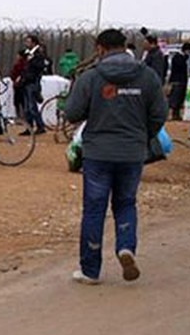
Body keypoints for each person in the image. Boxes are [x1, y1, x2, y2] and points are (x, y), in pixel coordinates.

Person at [62, 28, 167, 285]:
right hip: (132, 153)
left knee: (94, 209)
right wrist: (143, 136)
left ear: (100, 48)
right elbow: (159, 113)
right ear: (125, 46)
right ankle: (125, 246)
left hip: (98, 153)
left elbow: (72, 112)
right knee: (125, 203)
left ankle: (90, 270)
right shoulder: (148, 76)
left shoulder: (91, 77)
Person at [21, 34, 49, 134]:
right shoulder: (28, 54)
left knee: (32, 106)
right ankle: (29, 127)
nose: (26, 44)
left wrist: (31, 60)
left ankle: (40, 126)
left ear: (33, 43)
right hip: (27, 82)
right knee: (27, 108)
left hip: (33, 82)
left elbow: (40, 66)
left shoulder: (38, 54)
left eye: (28, 42)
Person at [167, 43, 190, 121]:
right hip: (177, 80)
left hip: (183, 81)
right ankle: (170, 115)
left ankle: (176, 114)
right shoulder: (177, 57)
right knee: (174, 98)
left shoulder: (184, 58)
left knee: (180, 99)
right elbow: (179, 68)